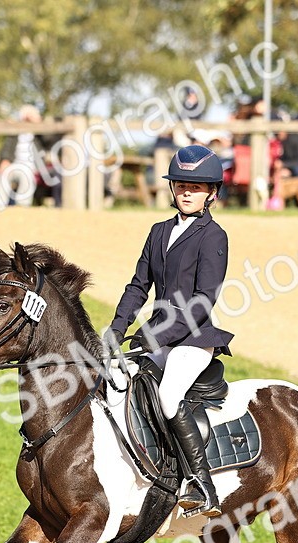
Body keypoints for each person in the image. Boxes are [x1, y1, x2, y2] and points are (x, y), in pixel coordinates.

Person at [107, 144, 234, 517]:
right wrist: (117, 329)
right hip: (157, 335)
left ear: (212, 192)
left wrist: (155, 335)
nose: (186, 192)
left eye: (195, 187)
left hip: (193, 338)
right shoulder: (159, 231)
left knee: (168, 395)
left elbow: (201, 301)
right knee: (117, 382)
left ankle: (202, 485)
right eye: (180, 185)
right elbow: (137, 286)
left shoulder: (213, 237)